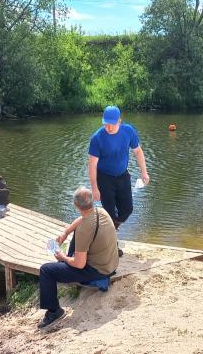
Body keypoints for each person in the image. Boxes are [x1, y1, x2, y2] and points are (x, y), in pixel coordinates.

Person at [37, 187, 119, 329]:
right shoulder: (101, 211)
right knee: (77, 235)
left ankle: (54, 311)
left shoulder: (84, 229)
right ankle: (67, 262)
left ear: (76, 205)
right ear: (91, 201)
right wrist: (66, 232)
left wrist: (63, 258)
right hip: (112, 263)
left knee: (46, 270)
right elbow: (82, 219)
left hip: (99, 270)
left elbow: (80, 264)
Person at [88, 105, 149, 256]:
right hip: (104, 178)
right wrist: (94, 188)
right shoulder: (97, 138)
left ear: (119, 121)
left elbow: (138, 152)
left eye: (111, 123)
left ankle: (109, 229)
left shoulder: (128, 131)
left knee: (127, 209)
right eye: (105, 123)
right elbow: (92, 165)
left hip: (123, 176)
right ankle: (112, 246)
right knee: (109, 213)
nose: (108, 127)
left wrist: (144, 172)